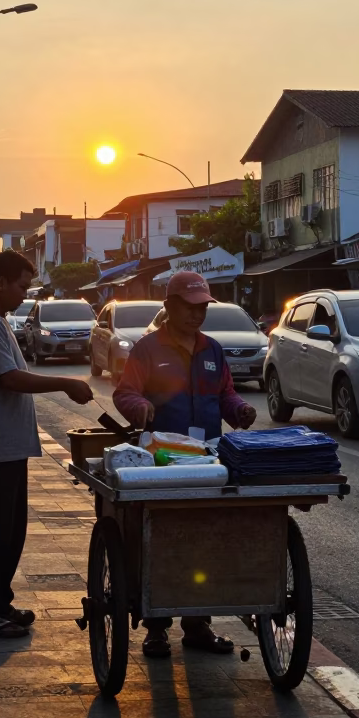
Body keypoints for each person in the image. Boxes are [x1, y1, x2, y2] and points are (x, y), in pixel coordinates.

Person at [114, 270, 257, 659]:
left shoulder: (212, 351)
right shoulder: (147, 349)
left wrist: (239, 410)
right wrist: (139, 406)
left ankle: (198, 624)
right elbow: (124, 393)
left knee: (205, 540)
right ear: (170, 306)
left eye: (202, 308)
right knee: (161, 539)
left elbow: (225, 396)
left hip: (207, 460)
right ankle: (156, 628)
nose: (197, 315)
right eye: (190, 307)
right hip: (162, 461)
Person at [0, 249, 93, 638]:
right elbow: (10, 378)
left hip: (8, 445)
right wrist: (65, 384)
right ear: (0, 282)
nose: (24, 295)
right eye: (20, 286)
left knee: (9, 529)